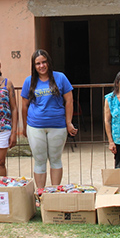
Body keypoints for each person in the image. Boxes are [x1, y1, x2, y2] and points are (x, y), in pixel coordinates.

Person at [21, 49, 77, 190]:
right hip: (35, 126)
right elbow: (24, 106)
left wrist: (69, 122)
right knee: (39, 161)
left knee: (55, 160)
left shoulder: (60, 78)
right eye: (38, 63)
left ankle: (54, 192)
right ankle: (40, 194)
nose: (42, 66)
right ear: (34, 66)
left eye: (44, 62)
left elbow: (69, 101)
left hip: (57, 125)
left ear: (49, 62)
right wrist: (25, 126)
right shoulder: (29, 81)